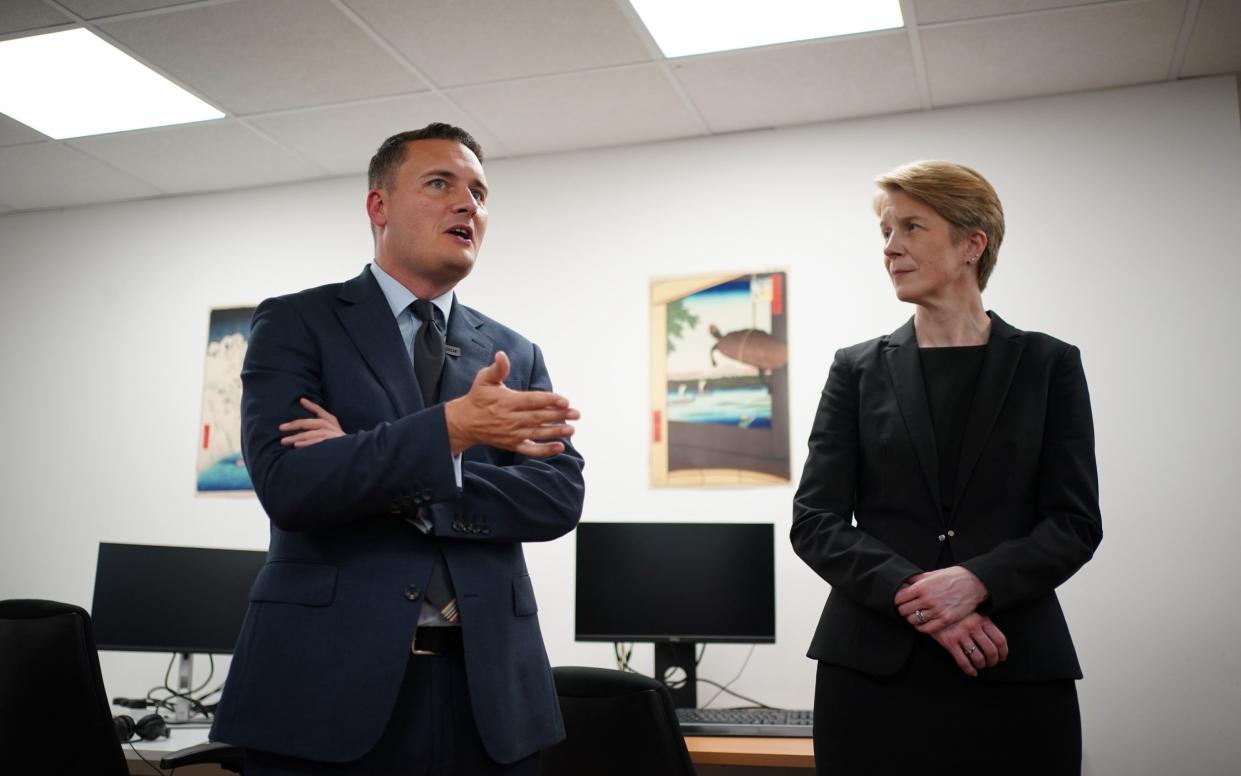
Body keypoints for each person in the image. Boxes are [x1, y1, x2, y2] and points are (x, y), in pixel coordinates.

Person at [210, 123, 585, 775]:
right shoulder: (297, 323)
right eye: (440, 183)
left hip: (492, 696)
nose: (467, 204)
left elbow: (556, 499)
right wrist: (456, 433)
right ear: (378, 207)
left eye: (478, 192)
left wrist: (377, 462)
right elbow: (292, 487)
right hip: (322, 690)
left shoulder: (512, 353)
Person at [790, 160, 1102, 774]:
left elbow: (1073, 521)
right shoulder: (855, 370)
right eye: (885, 231)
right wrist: (916, 592)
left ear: (971, 244)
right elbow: (816, 520)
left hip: (1012, 661)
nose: (890, 247)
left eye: (911, 227)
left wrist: (977, 580)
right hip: (873, 672)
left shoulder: (1049, 365)